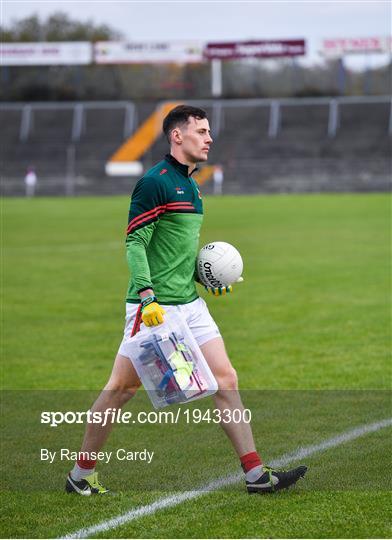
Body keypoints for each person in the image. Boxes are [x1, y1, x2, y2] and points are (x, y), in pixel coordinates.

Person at [65, 105, 307, 496]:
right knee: (120, 391)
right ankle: (80, 475)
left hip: (189, 305)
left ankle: (255, 475)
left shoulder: (192, 185)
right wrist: (146, 297)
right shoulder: (154, 183)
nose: (209, 138)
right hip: (155, 308)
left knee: (226, 380)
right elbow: (135, 243)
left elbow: (174, 252)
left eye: (209, 132)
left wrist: (203, 276)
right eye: (201, 131)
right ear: (177, 136)